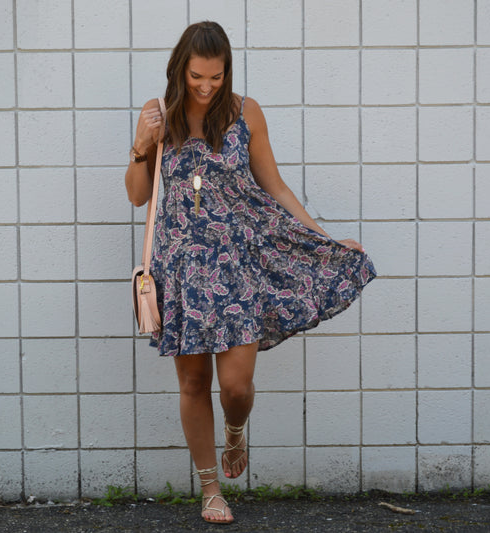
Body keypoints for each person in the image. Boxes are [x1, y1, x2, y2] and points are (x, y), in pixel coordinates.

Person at [125, 21, 376, 524]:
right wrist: (140, 143)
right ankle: (210, 489)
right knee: (194, 383)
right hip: (182, 268)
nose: (206, 86)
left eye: (216, 77)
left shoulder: (245, 113)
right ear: (181, 69)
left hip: (239, 263)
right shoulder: (162, 117)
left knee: (235, 386)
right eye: (198, 75)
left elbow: (276, 187)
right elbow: (137, 194)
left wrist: (325, 239)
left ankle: (235, 431)